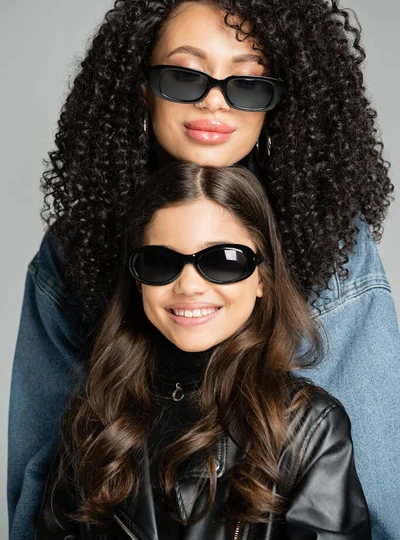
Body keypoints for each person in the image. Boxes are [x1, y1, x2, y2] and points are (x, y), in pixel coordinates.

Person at [8, 0, 398, 540]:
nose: (215, 100)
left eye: (246, 84)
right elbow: (42, 471)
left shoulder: (332, 244)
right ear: (143, 88)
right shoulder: (73, 248)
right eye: (185, 75)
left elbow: (375, 490)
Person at [36, 162, 371, 539]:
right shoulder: (95, 415)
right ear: (137, 281)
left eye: (222, 261)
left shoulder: (310, 426)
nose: (189, 286)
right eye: (161, 262)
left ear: (262, 277)